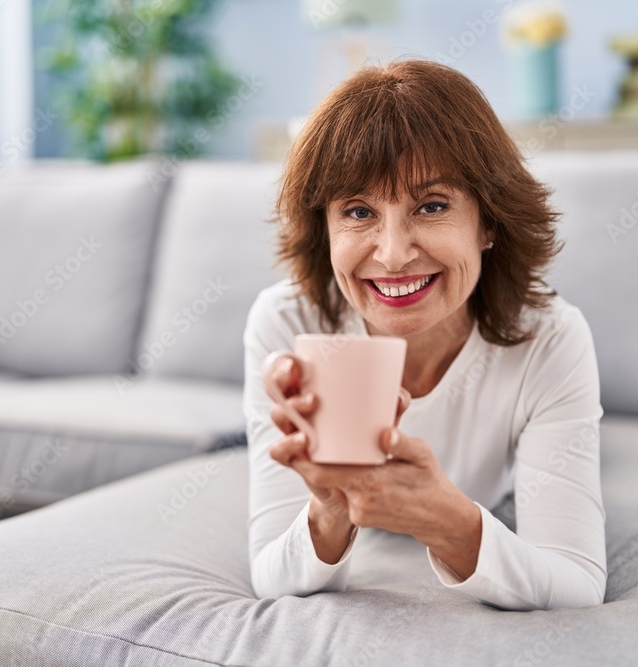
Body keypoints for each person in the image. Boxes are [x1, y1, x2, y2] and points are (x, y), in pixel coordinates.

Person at [242, 59, 606, 611]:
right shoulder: (288, 325)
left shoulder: (551, 339)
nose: (392, 254)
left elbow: (578, 584)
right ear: (326, 229)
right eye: (359, 211)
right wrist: (331, 507)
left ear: (488, 222)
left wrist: (448, 522)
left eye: (432, 205)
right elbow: (272, 577)